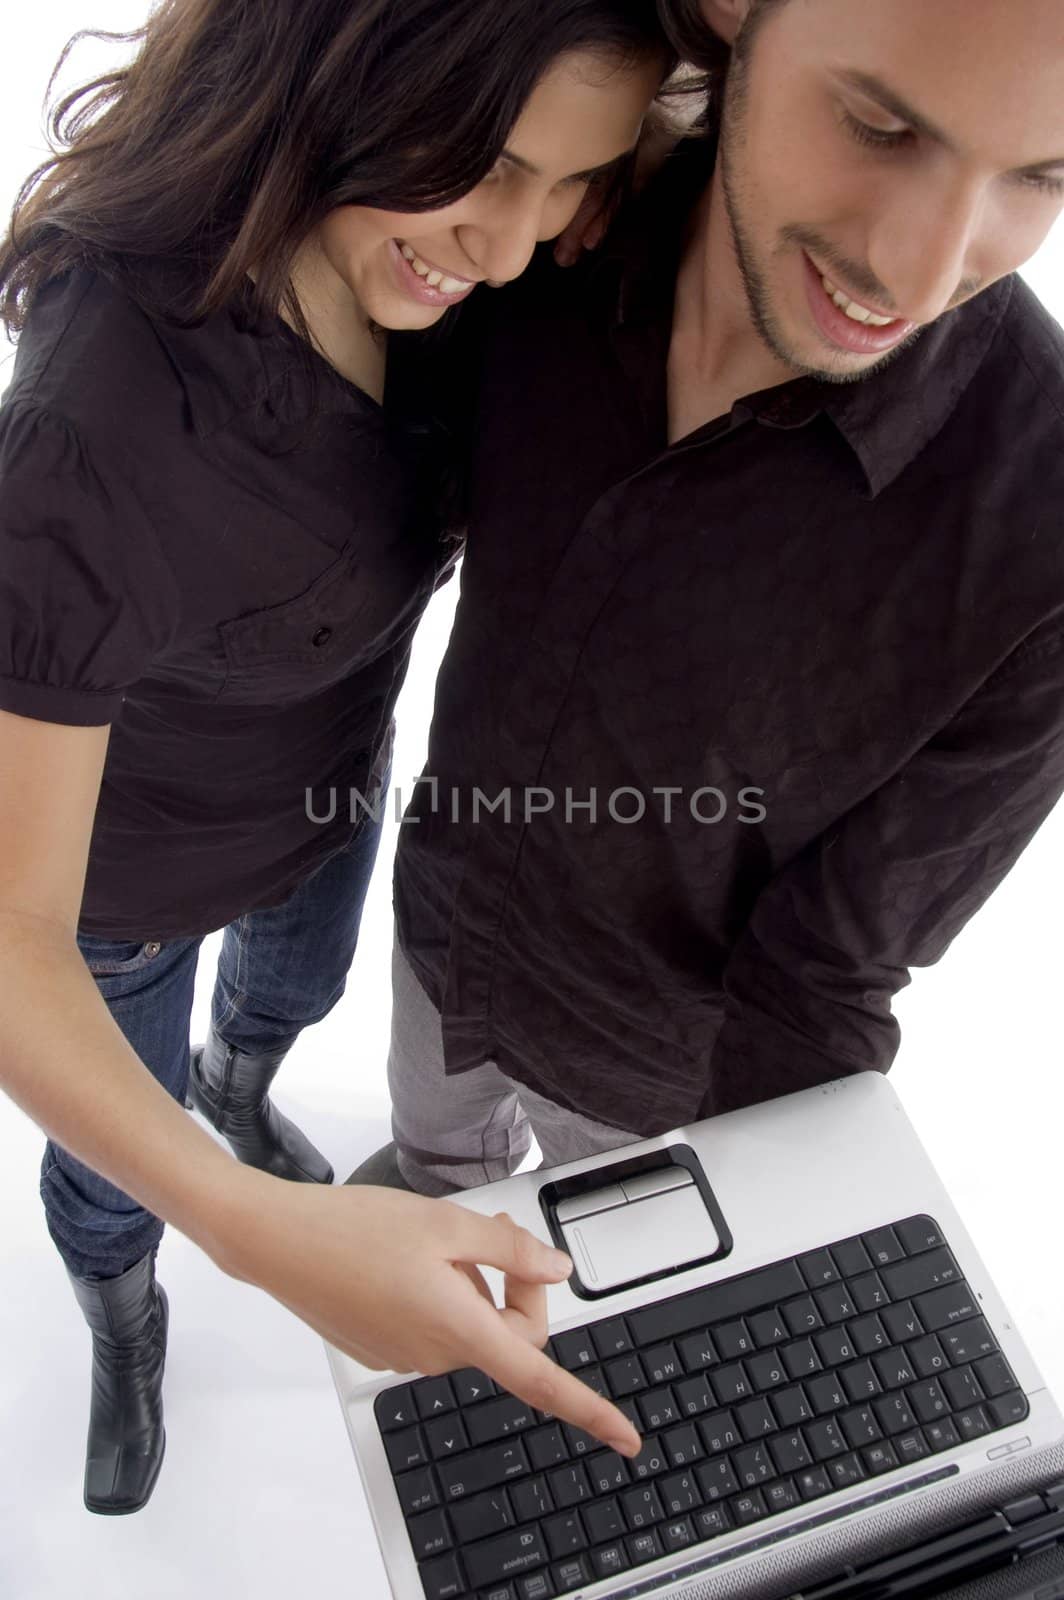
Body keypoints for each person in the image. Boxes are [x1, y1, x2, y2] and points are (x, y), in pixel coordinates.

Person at [0, 0, 670, 1514]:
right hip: (122, 887)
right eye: (487, 164)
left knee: (288, 997)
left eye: (573, 185)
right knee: (121, 1172)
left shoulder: (475, 287)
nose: (513, 241)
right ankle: (126, 1323)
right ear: (340, 65)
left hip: (325, 790)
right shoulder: (95, 425)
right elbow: (5, 931)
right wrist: (245, 1227)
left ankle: (241, 1085)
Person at [360, 0, 1064, 1195]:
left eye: (1042, 177)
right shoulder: (542, 236)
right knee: (431, 1167)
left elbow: (829, 974)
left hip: (644, 1092)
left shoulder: (1036, 530)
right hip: (438, 939)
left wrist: (793, 1263)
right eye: (879, 126)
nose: (920, 268)